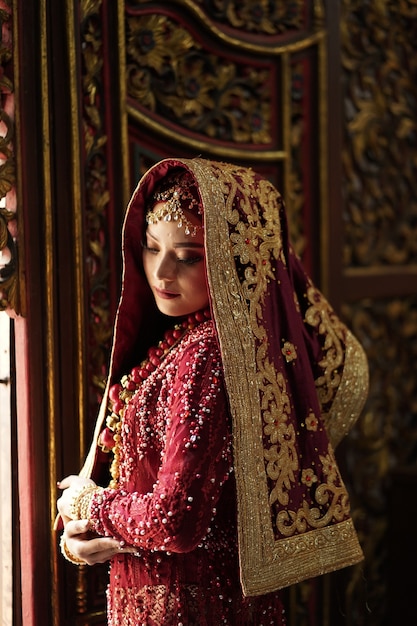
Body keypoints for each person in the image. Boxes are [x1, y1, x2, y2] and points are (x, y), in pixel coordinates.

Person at [56, 158, 368, 625]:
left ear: (235, 257)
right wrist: (82, 535)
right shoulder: (189, 340)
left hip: (193, 607)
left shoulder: (209, 353)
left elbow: (175, 520)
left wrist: (88, 503)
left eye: (188, 256)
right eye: (150, 248)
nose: (161, 272)